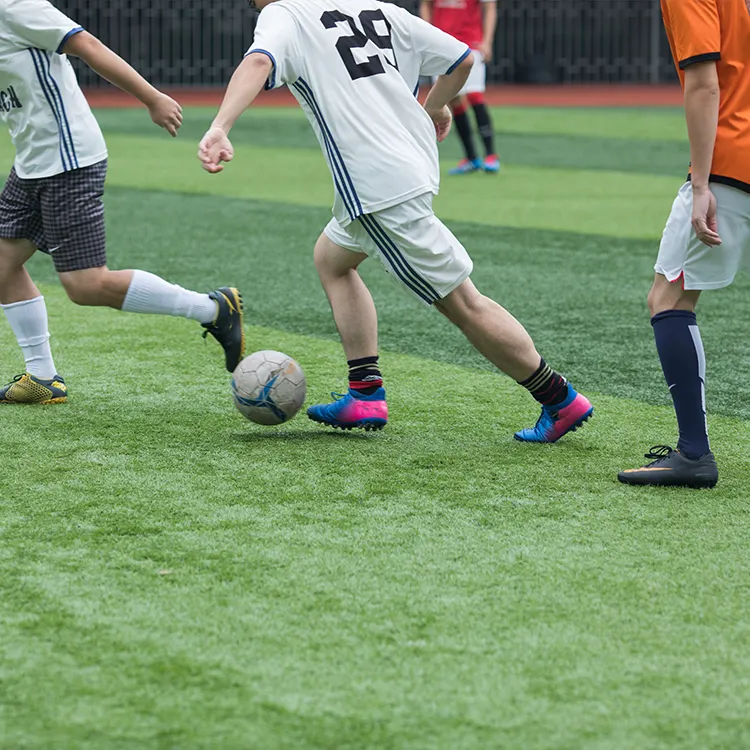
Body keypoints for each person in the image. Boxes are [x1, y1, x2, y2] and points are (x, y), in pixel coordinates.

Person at [199, 0, 592, 442]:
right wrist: (437, 105)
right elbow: (462, 58)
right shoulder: (378, 8)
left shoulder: (285, 14)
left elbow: (258, 61)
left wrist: (220, 126)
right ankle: (364, 391)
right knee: (332, 259)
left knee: (463, 304)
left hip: (376, 189)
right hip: (410, 166)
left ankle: (559, 399)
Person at [0, 0, 245, 405]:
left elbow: (87, 44)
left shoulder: (15, 7)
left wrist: (152, 98)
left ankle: (211, 308)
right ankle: (43, 377)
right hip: (32, 163)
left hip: (69, 160)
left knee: (85, 285)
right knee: (3, 265)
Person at [618, 0, 750, 489]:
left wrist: (700, 184)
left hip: (734, 161)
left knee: (668, 298)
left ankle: (693, 453)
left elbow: (704, 82)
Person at [420, 0, 499, 175]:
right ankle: (472, 158)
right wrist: (426, 36)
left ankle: (491, 155)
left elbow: (490, 6)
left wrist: (487, 41)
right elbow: (426, 4)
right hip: (442, 45)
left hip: (471, 44)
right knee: (452, 99)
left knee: (474, 95)